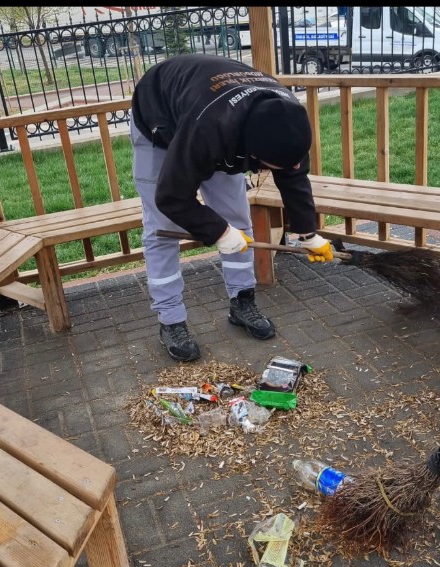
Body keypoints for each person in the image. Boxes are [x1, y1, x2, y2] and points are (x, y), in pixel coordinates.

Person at [130, 53, 334, 362]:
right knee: (163, 228)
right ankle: (170, 320)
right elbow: (171, 197)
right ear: (254, 153)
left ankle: (242, 301)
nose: (289, 168)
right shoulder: (209, 128)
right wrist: (219, 232)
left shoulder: (286, 119)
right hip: (159, 118)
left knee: (238, 218)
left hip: (212, 114)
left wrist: (308, 234)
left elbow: (293, 177)